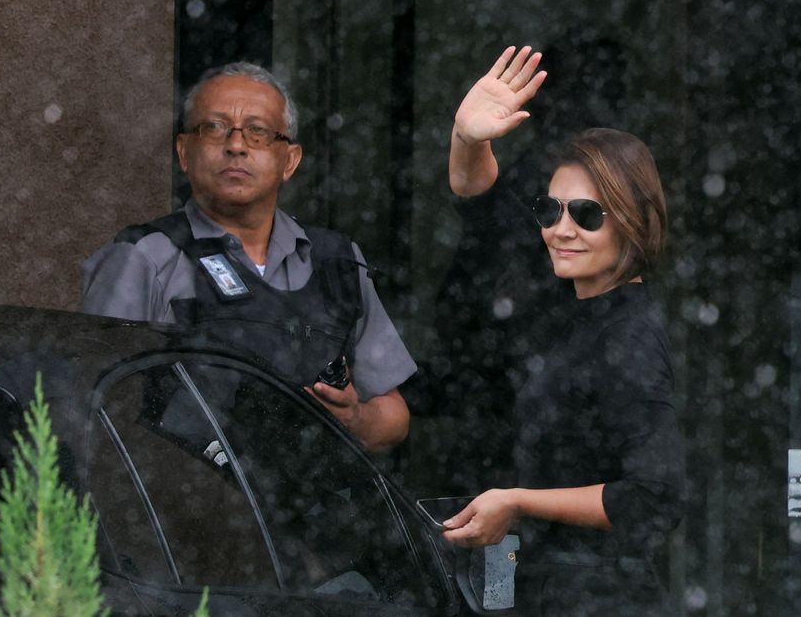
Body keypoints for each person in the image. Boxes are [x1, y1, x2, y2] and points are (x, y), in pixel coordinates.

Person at [440, 46, 686, 615]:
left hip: (602, 597)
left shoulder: (628, 334)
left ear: (633, 222)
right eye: (550, 211)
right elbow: (480, 203)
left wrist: (518, 502)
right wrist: (467, 137)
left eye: (587, 214)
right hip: (552, 587)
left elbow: (655, 496)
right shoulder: (568, 298)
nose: (562, 229)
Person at [80, 62, 415, 452]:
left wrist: (353, 417)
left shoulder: (336, 261)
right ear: (184, 152)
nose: (236, 145)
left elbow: (393, 416)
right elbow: (93, 410)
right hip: (188, 488)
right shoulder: (144, 257)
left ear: (290, 160)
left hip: (311, 487)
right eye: (215, 127)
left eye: (258, 132)